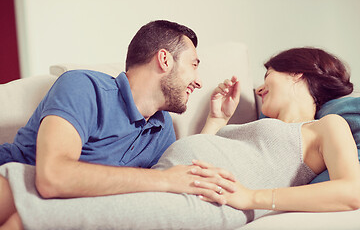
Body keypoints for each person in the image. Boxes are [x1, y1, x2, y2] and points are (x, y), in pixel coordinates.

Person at [1, 47, 359, 230]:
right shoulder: (243, 124)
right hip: (168, 181)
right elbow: (199, 155)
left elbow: (351, 192)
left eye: (269, 74)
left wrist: (253, 197)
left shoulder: (325, 127)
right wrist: (217, 119)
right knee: (17, 184)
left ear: (296, 74)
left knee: (33, 219)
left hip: (204, 202)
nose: (258, 86)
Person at [0, 20, 239, 229]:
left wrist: (216, 120)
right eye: (194, 65)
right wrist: (165, 179)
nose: (199, 82)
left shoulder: (161, 125)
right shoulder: (84, 87)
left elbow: (181, 183)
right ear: (164, 59)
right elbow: (53, 177)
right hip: (12, 186)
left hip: (57, 215)